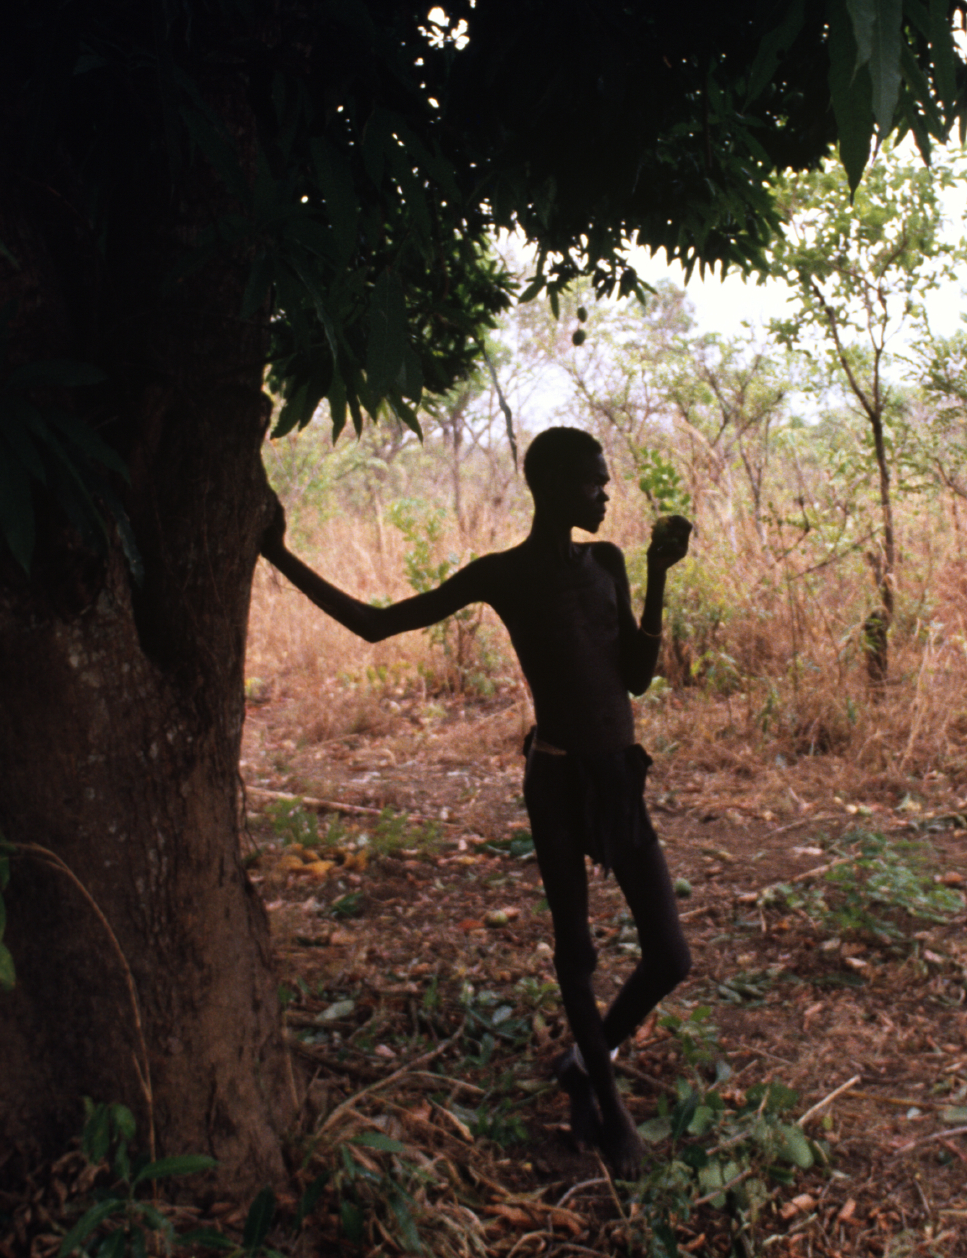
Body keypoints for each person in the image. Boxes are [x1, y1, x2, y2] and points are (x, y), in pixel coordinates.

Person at [258, 427, 693, 1176]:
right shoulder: (506, 576)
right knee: (578, 952)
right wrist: (277, 553)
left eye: (606, 481)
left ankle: (587, 1065)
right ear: (550, 487)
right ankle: (612, 1117)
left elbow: (638, 676)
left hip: (619, 774)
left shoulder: (610, 561)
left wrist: (657, 574)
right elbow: (376, 623)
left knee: (670, 956)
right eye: (594, 482)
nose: (606, 492)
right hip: (557, 781)